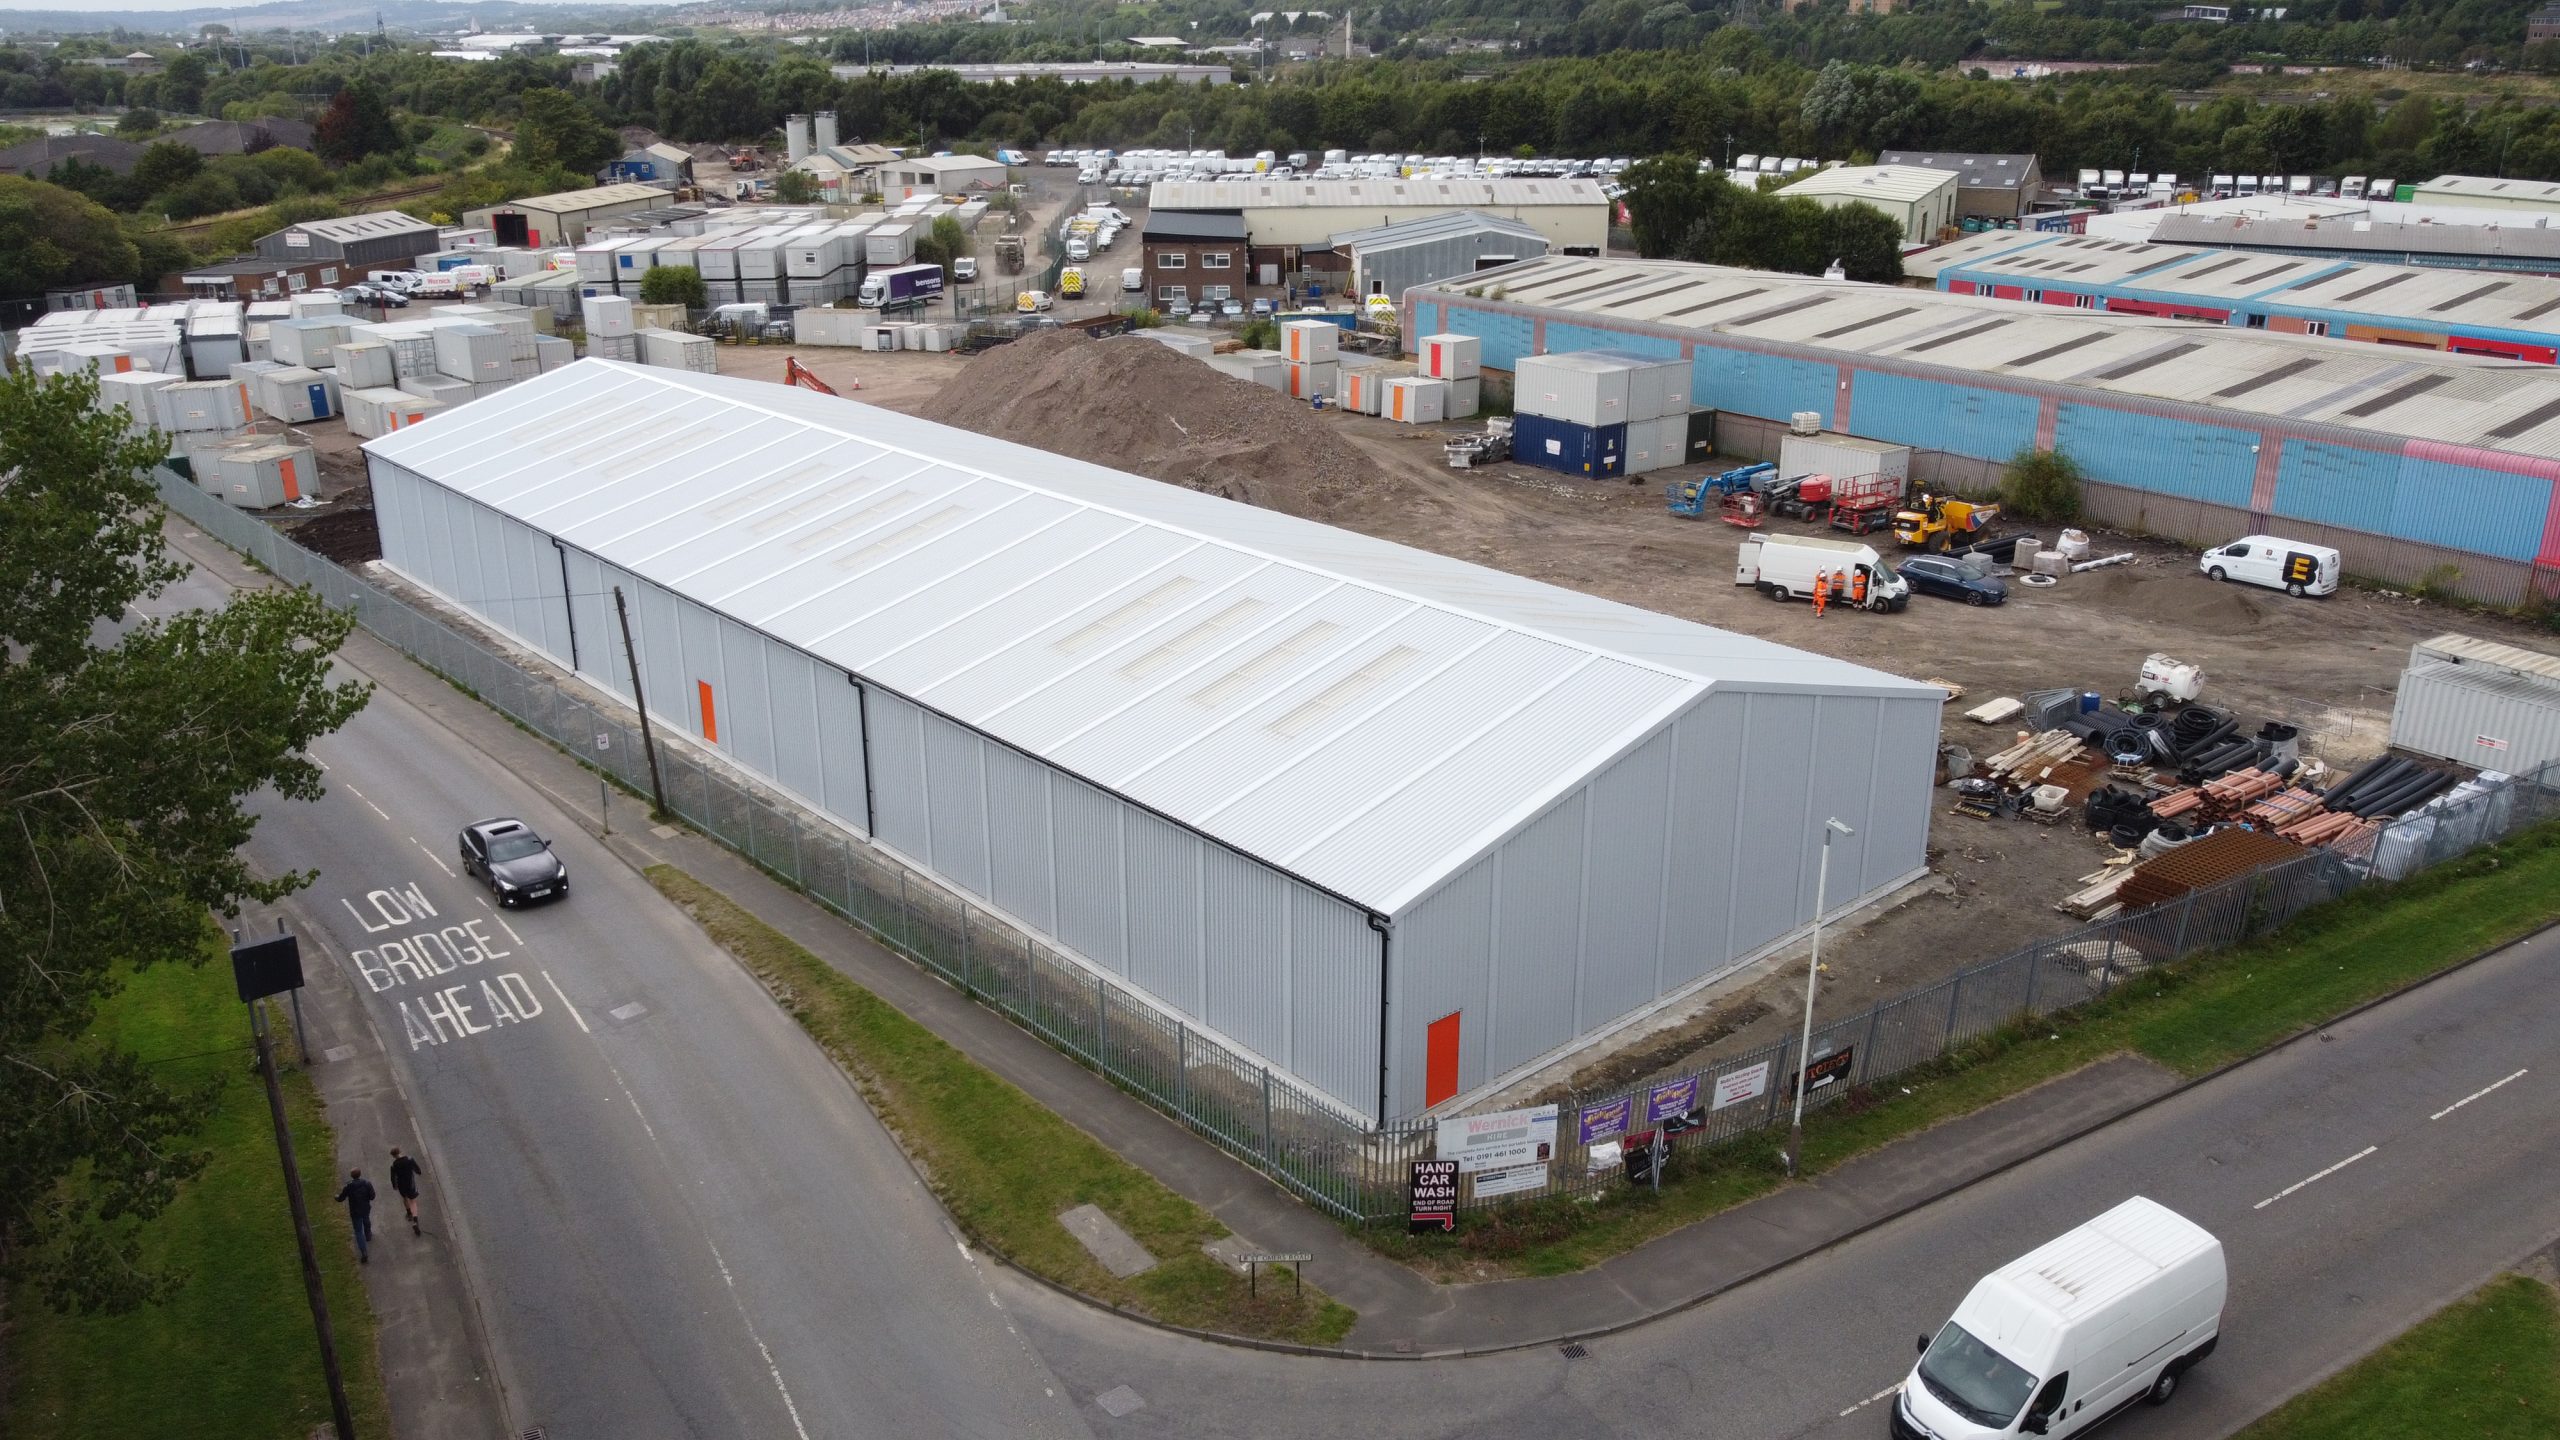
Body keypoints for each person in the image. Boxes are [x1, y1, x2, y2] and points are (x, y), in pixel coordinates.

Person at [335, 1168, 378, 1264]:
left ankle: (363, 1251)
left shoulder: (348, 1186)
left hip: (355, 1210)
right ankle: (368, 1234)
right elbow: (372, 1196)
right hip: (365, 1207)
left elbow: (341, 1198)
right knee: (366, 1219)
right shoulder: (367, 1183)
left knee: (358, 1231)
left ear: (352, 1176)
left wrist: (336, 1197)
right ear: (360, 1174)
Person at [389, 1148, 425, 1235]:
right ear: (400, 1151)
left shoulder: (394, 1164)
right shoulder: (409, 1159)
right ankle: (415, 1220)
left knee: (405, 1198)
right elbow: (416, 1168)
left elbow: (393, 1177)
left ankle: (409, 1214)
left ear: (393, 1156)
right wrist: (419, 1172)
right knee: (413, 1201)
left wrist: (394, 1185)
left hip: (401, 1185)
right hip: (410, 1183)